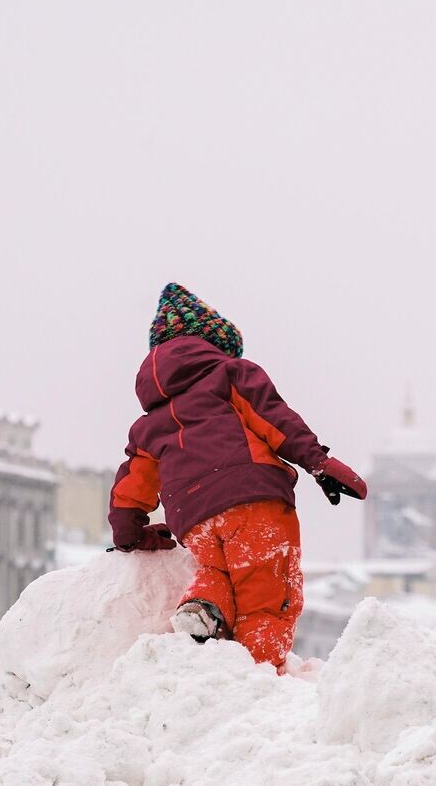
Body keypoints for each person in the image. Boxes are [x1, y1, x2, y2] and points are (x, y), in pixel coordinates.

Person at [107, 282, 366, 671]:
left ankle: (202, 610)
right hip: (252, 500)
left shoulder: (149, 424)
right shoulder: (231, 375)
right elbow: (277, 422)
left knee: (218, 573)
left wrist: (131, 536)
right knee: (268, 595)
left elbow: (130, 491)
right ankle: (259, 678)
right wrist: (318, 462)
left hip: (194, 518)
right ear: (214, 344)